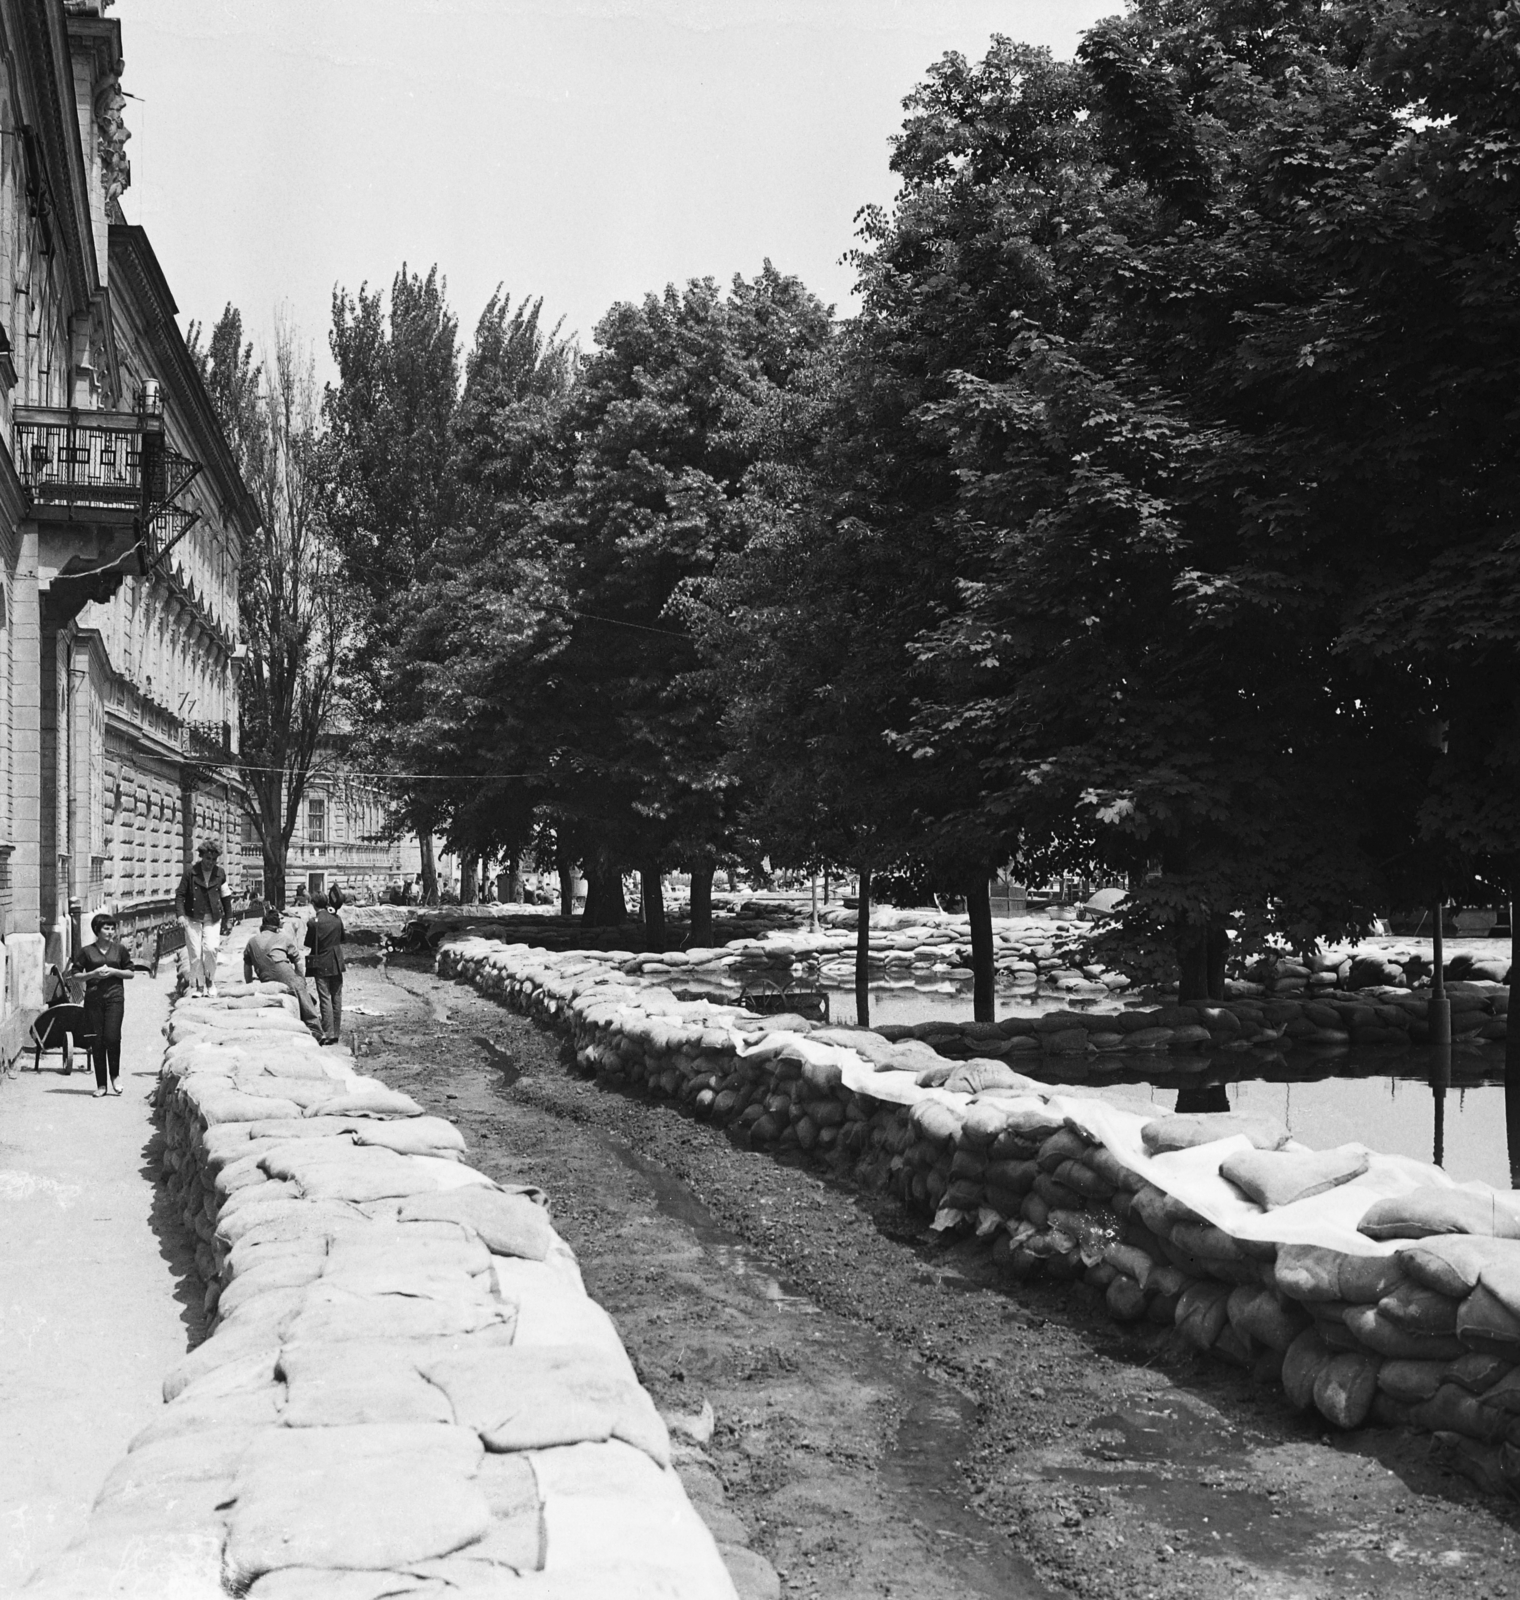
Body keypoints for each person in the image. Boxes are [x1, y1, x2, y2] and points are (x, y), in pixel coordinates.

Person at [69, 912, 139, 1098]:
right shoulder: (87, 951)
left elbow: (131, 973)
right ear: (97, 930)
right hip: (93, 1000)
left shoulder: (120, 950)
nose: (110, 932)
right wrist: (92, 975)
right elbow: (74, 974)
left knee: (112, 1037)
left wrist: (115, 971)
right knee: (97, 1041)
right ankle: (101, 1085)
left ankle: (115, 1075)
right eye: (106, 928)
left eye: (112, 928)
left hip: (115, 998)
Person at [244, 908, 322, 1038]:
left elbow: (247, 966)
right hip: (287, 978)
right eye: (281, 919)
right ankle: (316, 1029)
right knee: (302, 993)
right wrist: (301, 979)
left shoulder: (251, 941)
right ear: (276, 924)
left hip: (267, 982)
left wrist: (250, 986)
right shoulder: (283, 938)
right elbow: (298, 962)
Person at [175, 840, 232, 997]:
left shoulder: (220, 873)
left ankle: (210, 980)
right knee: (195, 952)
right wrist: (180, 915)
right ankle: (199, 986)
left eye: (213, 860)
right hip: (192, 917)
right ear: (201, 857)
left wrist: (229, 918)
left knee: (211, 948)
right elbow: (180, 895)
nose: (210, 863)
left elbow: (226, 896)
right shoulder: (190, 873)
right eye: (208, 859)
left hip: (212, 917)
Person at [305, 888, 346, 1044]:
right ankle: (336, 1032)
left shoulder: (313, 922)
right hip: (337, 960)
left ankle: (327, 1032)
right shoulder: (337, 919)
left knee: (325, 997)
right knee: (337, 996)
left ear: (314, 905)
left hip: (321, 960)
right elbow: (342, 938)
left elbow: (308, 942)